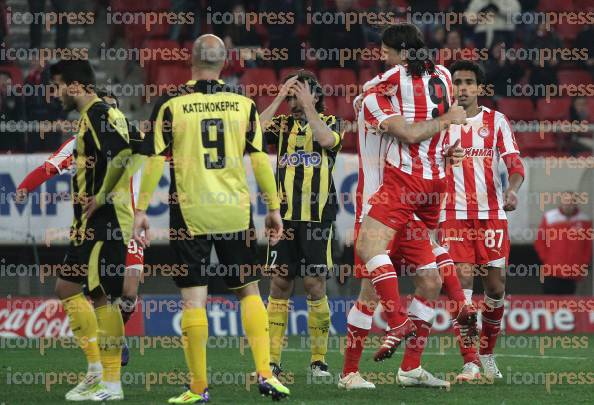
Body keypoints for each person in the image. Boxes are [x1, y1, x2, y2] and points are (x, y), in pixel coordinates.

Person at [132, 34, 291, 403]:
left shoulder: (171, 104)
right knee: (249, 290)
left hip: (191, 211)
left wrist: (141, 210)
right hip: (235, 211)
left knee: (194, 300)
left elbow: (155, 159)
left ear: (191, 60)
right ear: (225, 63)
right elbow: (259, 161)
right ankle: (266, 373)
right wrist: (273, 208)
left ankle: (199, 387)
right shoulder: (243, 104)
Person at [338, 26, 476, 389]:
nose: (381, 59)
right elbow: (425, 122)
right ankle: (350, 372)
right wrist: (449, 129)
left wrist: (448, 140)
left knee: (427, 279)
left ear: (401, 53)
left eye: (386, 52)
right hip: (383, 198)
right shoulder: (380, 97)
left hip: (407, 194)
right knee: (370, 290)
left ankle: (409, 364)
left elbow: (418, 127)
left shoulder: (388, 89)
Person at [15, 90, 145, 367]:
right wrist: (25, 187)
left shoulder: (133, 141)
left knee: (128, 293)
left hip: (128, 226)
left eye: (111, 110)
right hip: (91, 228)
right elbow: (49, 167)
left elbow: (168, 151)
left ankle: (112, 341)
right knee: (76, 289)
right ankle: (105, 348)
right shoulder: (77, 144)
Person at [48, 59, 135, 401]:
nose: (55, 94)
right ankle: (97, 371)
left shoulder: (98, 114)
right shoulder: (92, 117)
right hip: (88, 225)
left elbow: (123, 153)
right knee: (69, 286)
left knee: (104, 297)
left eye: (57, 86)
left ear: (74, 85)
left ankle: (111, 383)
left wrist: (100, 197)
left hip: (106, 222)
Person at [439, 60, 526, 381]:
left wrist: (512, 191)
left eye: (468, 82)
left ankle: (487, 354)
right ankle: (470, 360)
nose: (461, 88)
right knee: (460, 291)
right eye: (457, 82)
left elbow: (516, 166)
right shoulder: (441, 122)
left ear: (479, 88)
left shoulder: (496, 121)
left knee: (495, 287)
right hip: (453, 217)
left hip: (491, 217)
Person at [260, 70, 343, 378]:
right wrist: (280, 96)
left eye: (300, 94)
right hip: (284, 219)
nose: (295, 100)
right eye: (292, 95)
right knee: (280, 284)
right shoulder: (281, 126)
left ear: (316, 96)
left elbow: (325, 140)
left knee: (314, 285)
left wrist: (308, 106)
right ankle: (270, 361)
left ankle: (318, 361)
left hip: (318, 218)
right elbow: (252, 131)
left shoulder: (332, 122)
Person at [535, 192, 592, 295]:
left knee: (569, 304)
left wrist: (583, 264)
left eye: (571, 202)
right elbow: (540, 242)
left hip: (573, 272)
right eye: (566, 202)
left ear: (576, 204)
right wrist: (546, 259)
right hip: (552, 271)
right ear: (561, 203)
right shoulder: (550, 217)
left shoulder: (584, 220)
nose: (568, 205)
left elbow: (587, 246)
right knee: (551, 302)